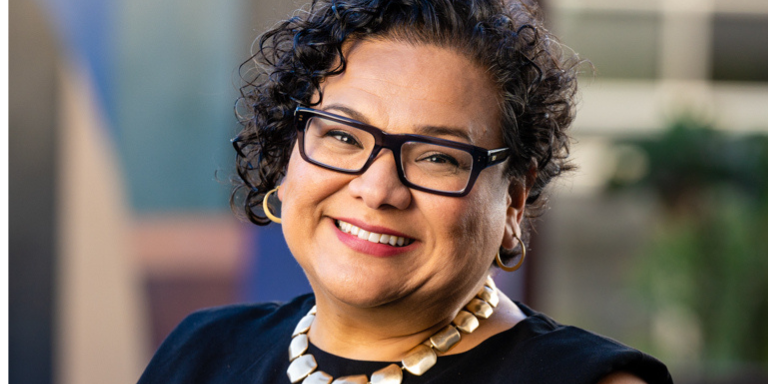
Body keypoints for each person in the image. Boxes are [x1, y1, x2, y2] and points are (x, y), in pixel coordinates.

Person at [139, 0, 673, 383]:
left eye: (438, 157)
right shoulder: (202, 353)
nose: (377, 190)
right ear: (287, 154)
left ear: (512, 201)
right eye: (343, 136)